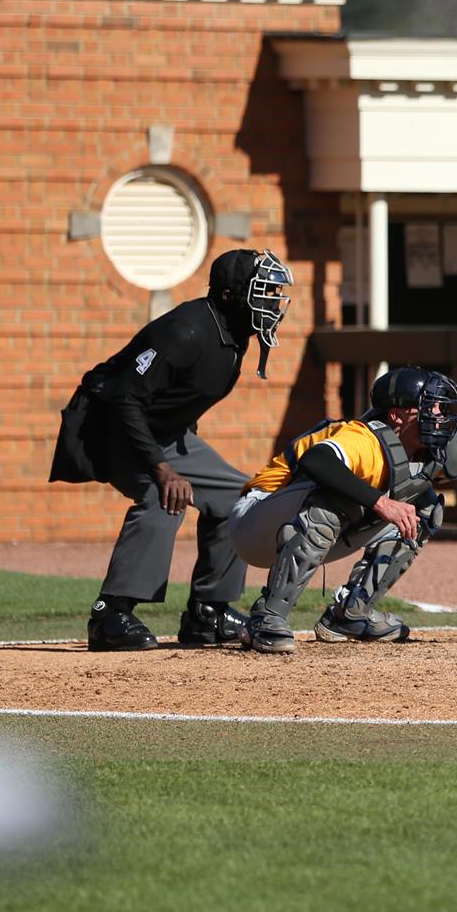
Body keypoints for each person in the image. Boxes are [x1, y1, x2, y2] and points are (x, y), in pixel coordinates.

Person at [230, 367, 457, 652]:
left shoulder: (427, 450)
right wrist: (380, 502)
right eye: (431, 407)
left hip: (301, 526)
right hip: (257, 521)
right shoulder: (363, 438)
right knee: (332, 501)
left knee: (424, 510)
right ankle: (267, 618)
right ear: (397, 415)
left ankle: (350, 616)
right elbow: (318, 461)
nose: (440, 414)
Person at [48, 249, 294, 651]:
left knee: (239, 496)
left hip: (157, 428)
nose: (271, 301)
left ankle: (208, 612)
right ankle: (110, 614)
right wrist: (163, 470)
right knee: (163, 496)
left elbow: (178, 400)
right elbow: (123, 397)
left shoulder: (234, 334)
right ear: (231, 295)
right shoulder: (186, 331)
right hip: (105, 423)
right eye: (262, 291)